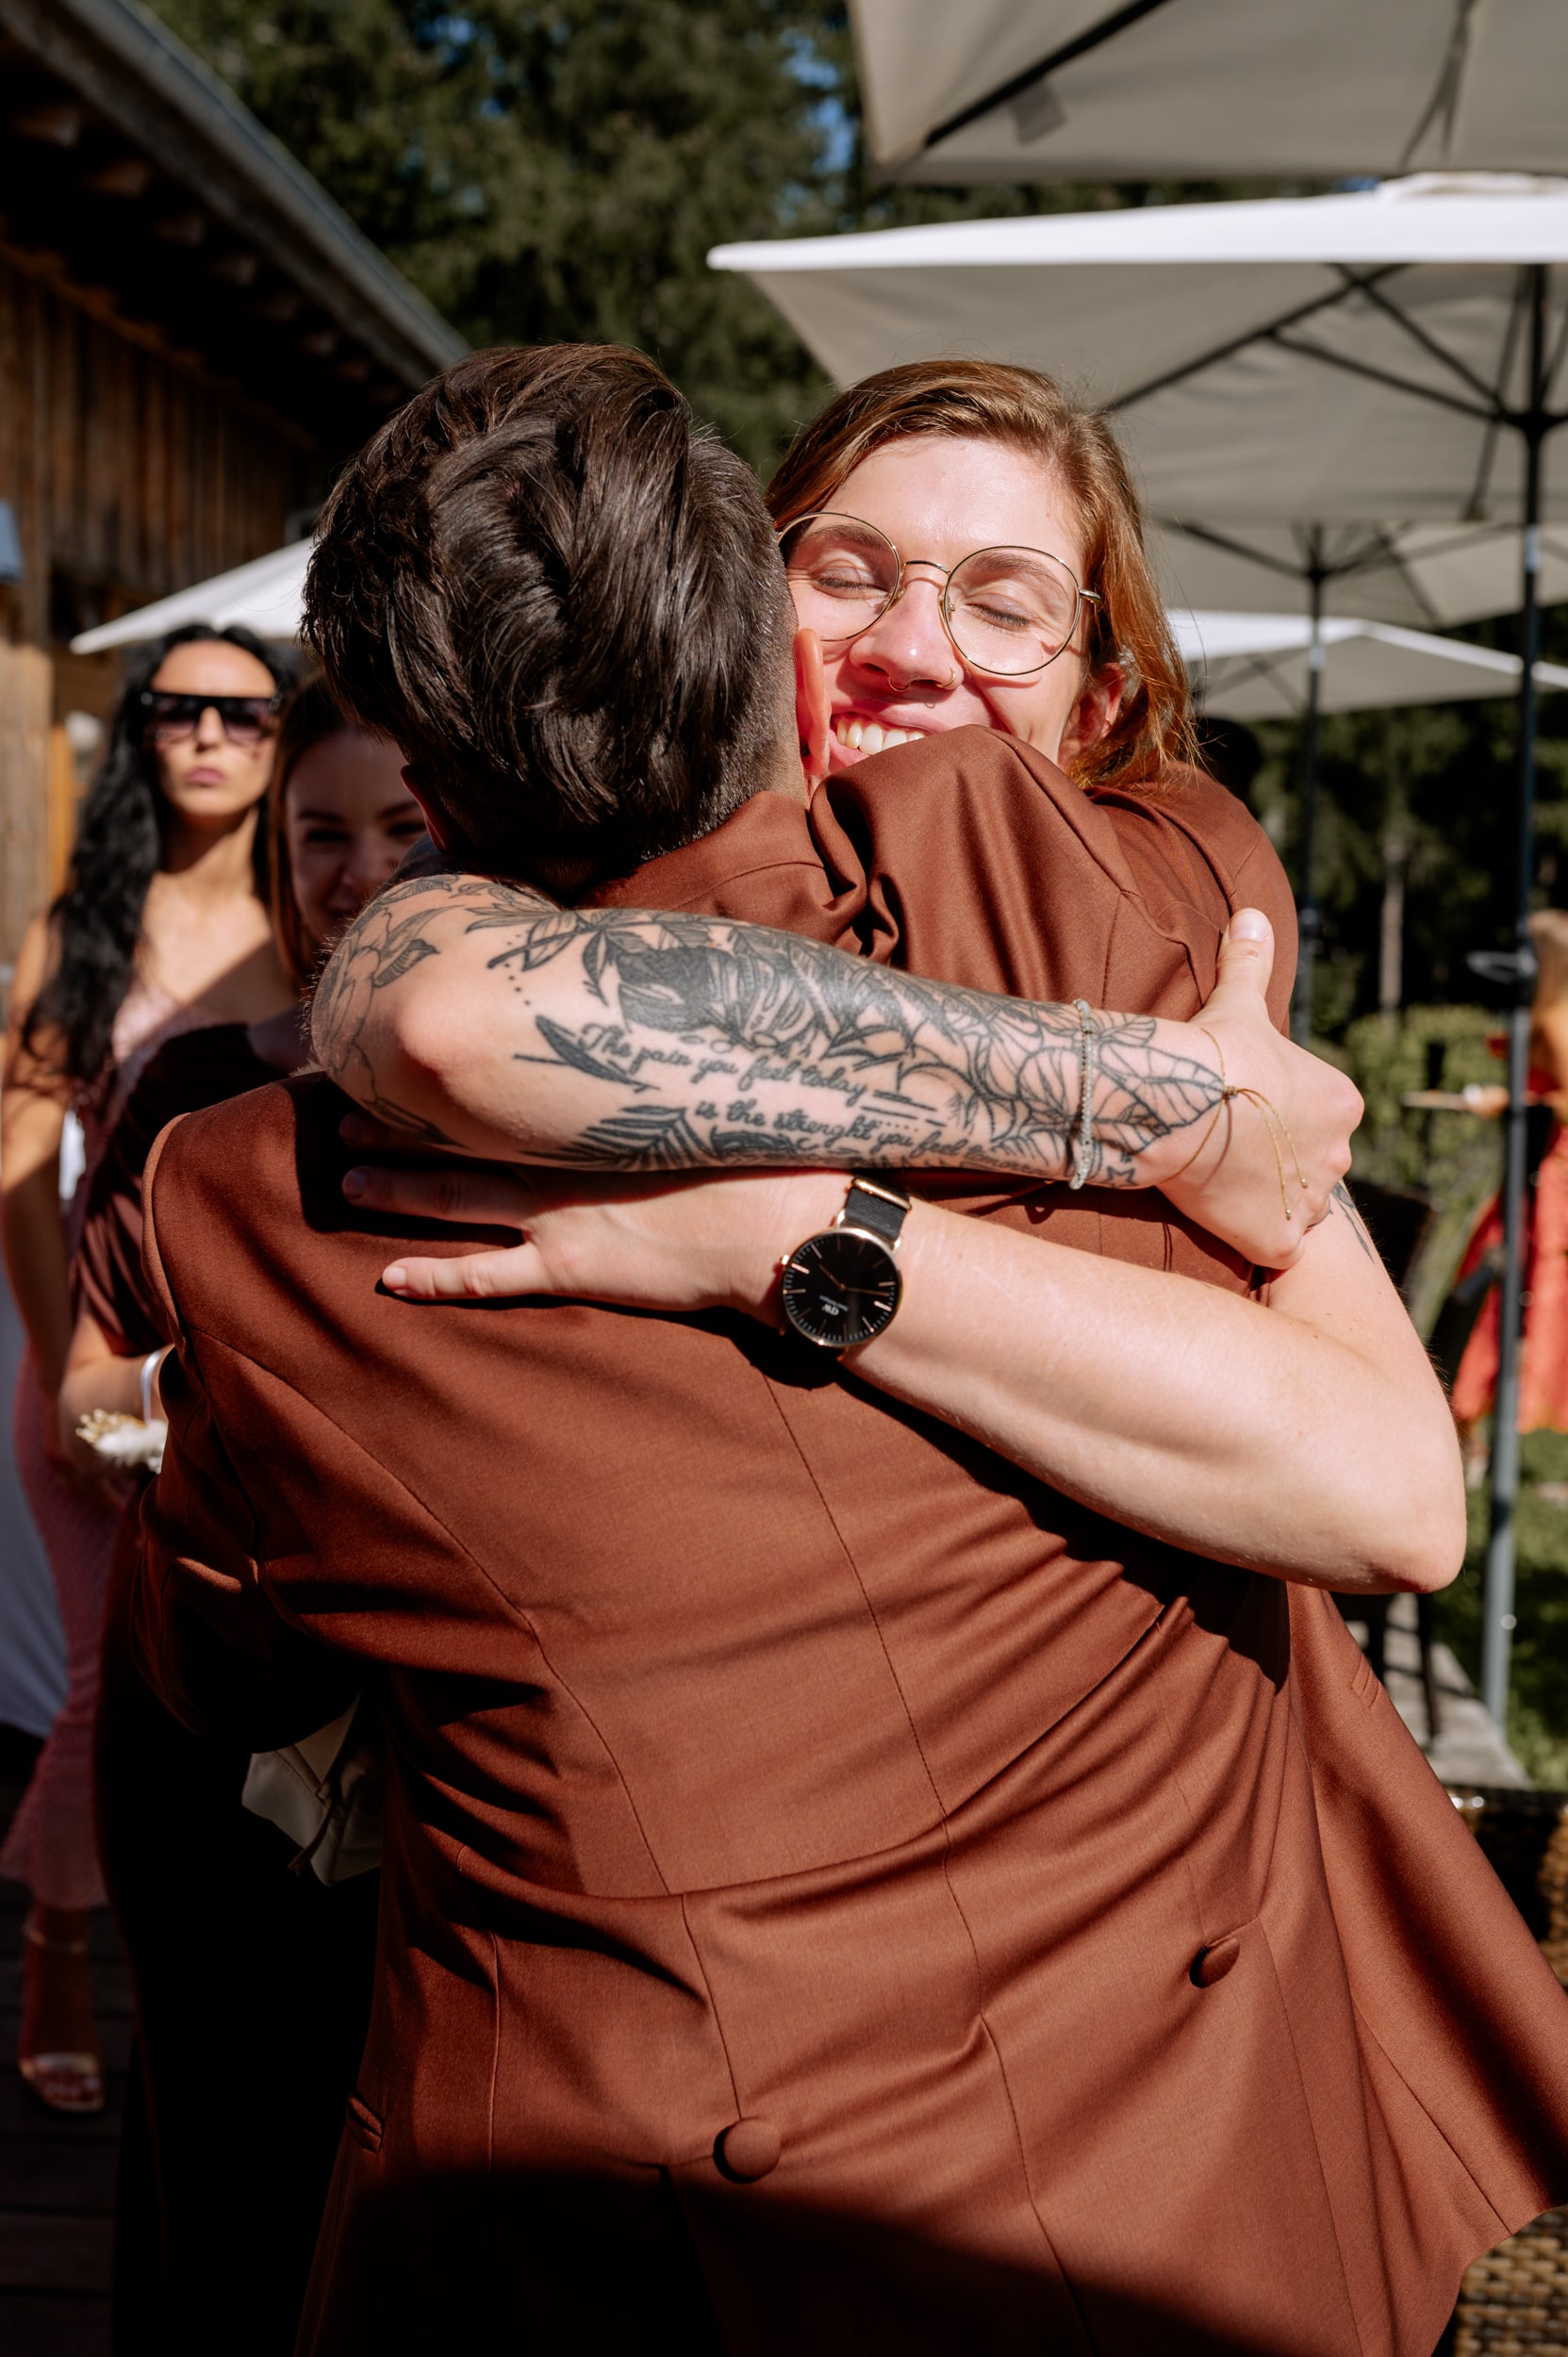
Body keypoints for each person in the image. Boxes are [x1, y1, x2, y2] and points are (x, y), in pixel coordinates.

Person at [129, 347, 1559, 2357]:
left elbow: (1393, 1491)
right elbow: (442, 999)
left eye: (1005, 603)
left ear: (1111, 697)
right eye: (852, 573)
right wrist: (1120, 1102)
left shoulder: (1158, 891)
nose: (913, 654)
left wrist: (801, 1231)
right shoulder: (1129, 956)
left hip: (919, 2170)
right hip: (1059, 2216)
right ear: (736, 598)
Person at [56, 679, 419, 2357]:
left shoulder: (554, 1112)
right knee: (217, 2132)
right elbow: (78, 1395)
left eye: (403, 829)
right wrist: (189, 1434)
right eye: (319, 834)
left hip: (423, 1703)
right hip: (206, 1682)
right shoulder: (195, 1083)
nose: (355, 870)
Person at [0, 623, 295, 2114]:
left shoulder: (311, 913)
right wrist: (64, 1374)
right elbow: (10, 1173)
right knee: (99, 1675)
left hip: (243, 1346)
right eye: (178, 710)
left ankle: (190, 1960)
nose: (209, 737)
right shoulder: (84, 924)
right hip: (92, 1340)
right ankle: (57, 1944)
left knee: (223, 1669)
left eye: (245, 715)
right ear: (141, 734)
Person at [1447, 909, 1568, 1453]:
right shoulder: (1544, 1017)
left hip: (1549, 1177)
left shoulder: (1557, 1023)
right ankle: (1480, 1422)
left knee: (1516, 1280)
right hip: (1531, 1168)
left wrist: (1512, 1102)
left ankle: (1489, 1418)